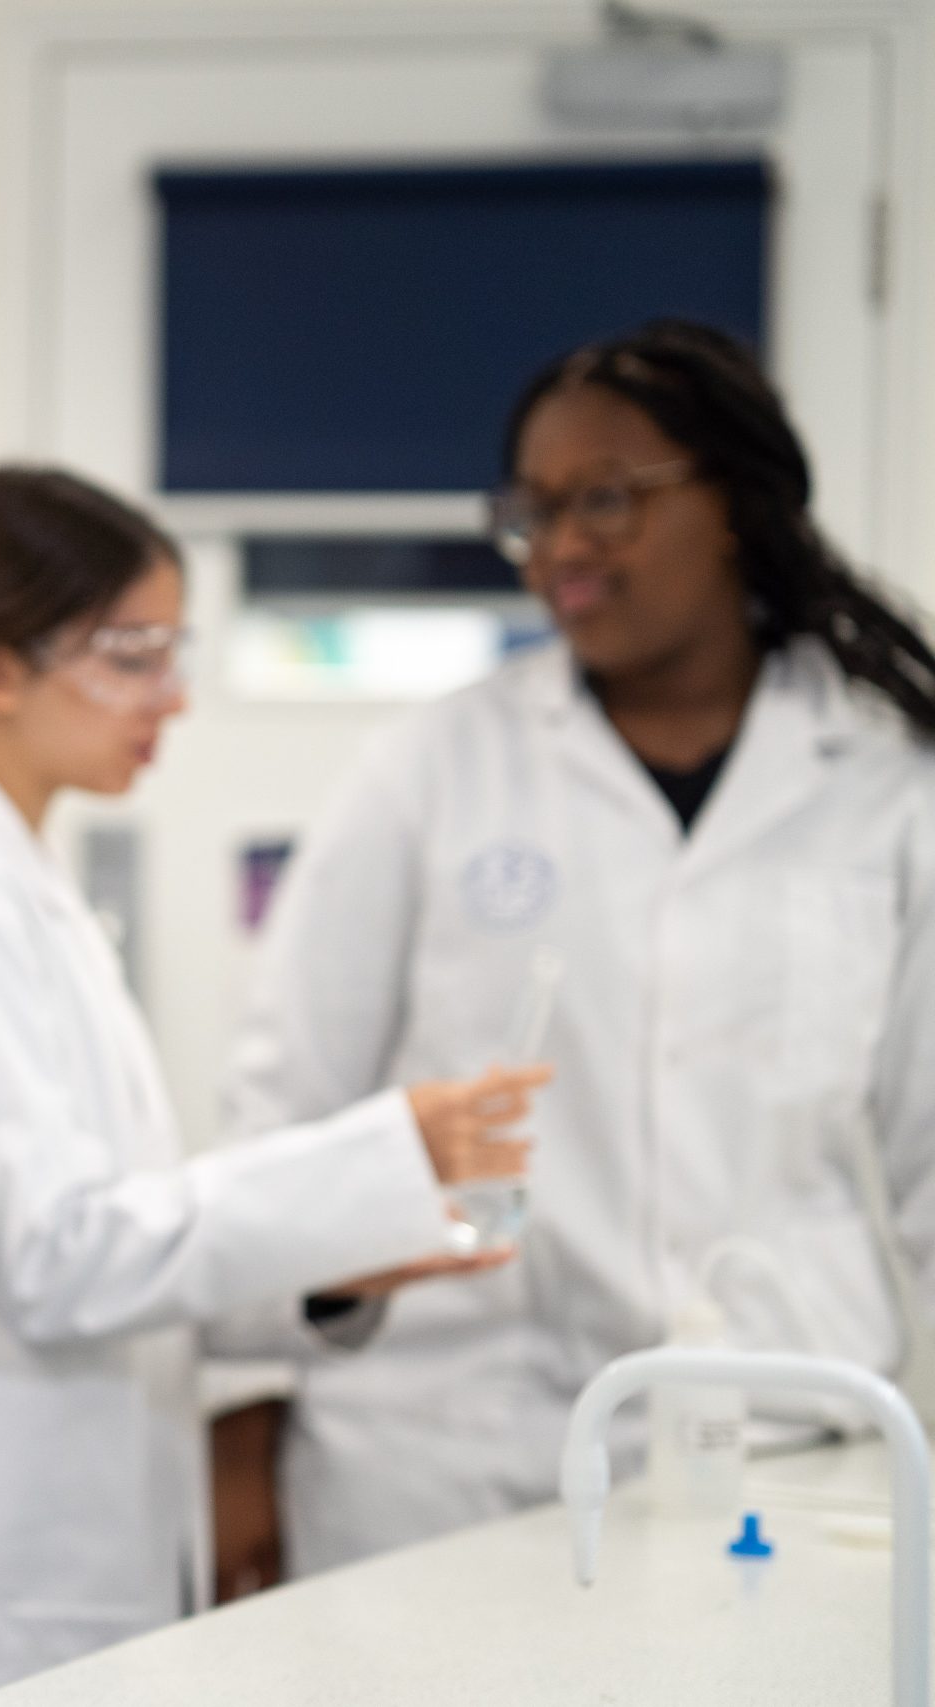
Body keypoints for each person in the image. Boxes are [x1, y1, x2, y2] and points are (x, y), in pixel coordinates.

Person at [0, 467, 542, 1707]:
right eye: (132, 654)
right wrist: (373, 1166)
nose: (172, 696)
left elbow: (103, 1252)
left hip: (38, 1551)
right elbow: (56, 1260)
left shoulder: (24, 888)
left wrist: (338, 1261)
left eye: (172, 653)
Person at [228, 319, 935, 1574]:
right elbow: (284, 1114)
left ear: (737, 506)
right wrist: (250, 1405)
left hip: (785, 1444)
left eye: (605, 500)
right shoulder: (429, 772)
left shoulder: (884, 788)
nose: (561, 548)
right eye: (533, 512)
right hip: (448, 1459)